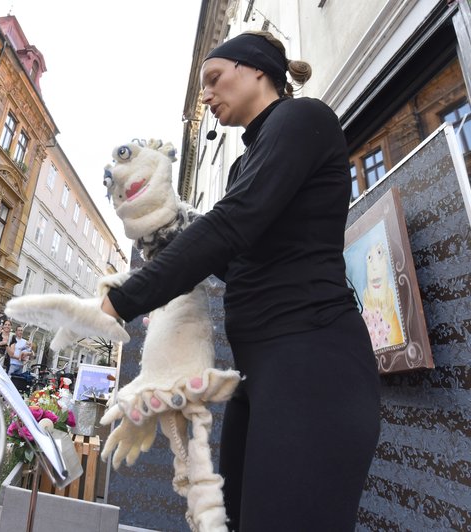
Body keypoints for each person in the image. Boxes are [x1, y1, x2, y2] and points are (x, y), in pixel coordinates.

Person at [98, 32, 381, 530]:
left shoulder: (303, 119)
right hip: (263, 372)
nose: (206, 95)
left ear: (256, 70)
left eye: (214, 79)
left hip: (313, 364)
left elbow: (233, 223)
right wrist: (167, 228)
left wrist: (124, 300)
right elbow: (236, 260)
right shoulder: (242, 165)